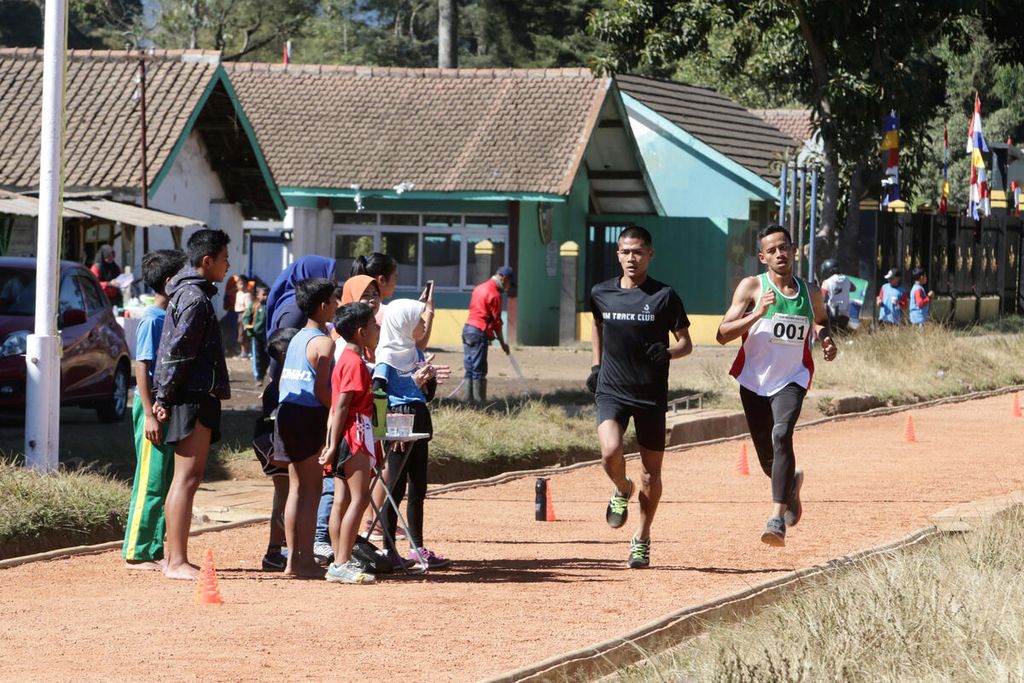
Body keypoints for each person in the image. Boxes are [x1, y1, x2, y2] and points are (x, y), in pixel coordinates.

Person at [716, 225, 837, 547]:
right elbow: (722, 332)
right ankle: (788, 488)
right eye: (772, 250)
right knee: (768, 460)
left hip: (792, 378)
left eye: (784, 248)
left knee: (782, 434)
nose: (779, 254)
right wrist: (758, 313)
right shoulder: (753, 287)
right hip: (754, 381)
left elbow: (821, 321)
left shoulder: (810, 292)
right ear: (762, 257)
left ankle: (775, 518)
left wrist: (826, 341)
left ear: (794, 250)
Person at [587, 226, 692, 568]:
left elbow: (685, 343)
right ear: (617, 254)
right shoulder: (601, 293)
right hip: (612, 389)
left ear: (650, 255)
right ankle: (621, 487)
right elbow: (598, 326)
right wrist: (595, 365)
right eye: (625, 252)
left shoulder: (664, 295)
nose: (631, 258)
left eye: (638, 252)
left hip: (650, 394)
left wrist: (668, 352)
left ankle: (642, 538)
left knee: (652, 474)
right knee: (610, 452)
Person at [152, 229, 232, 580]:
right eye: (224, 258)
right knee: (186, 478)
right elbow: (177, 351)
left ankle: (175, 557)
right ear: (206, 260)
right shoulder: (195, 299)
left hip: (195, 394)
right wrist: (163, 396)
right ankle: (176, 560)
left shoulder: (191, 294)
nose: (228, 265)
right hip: (192, 396)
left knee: (188, 478)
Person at [312, 273, 385, 565]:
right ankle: (342, 561)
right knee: (359, 500)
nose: (377, 328)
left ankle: (340, 560)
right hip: (355, 434)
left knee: (342, 501)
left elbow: (337, 408)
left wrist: (331, 442)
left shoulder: (349, 357)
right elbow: (341, 406)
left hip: (347, 434)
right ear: (358, 331)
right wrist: (331, 445)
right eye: (372, 326)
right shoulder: (354, 362)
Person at [121, 249, 186, 571]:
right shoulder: (152, 319)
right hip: (152, 408)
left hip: (166, 408)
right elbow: (142, 366)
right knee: (151, 479)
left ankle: (154, 547)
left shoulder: (171, 316)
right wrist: (148, 412)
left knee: (166, 479)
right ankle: (137, 550)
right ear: (169, 280)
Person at [374, 299, 451, 570]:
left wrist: (427, 380)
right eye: (418, 320)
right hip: (399, 421)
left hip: (418, 418)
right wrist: (384, 431)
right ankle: (388, 549)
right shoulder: (385, 356)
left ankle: (417, 547)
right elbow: (378, 392)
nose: (422, 324)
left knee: (419, 486)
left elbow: (424, 396)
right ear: (402, 322)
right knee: (395, 487)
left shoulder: (415, 353)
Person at [274, 277, 338, 578]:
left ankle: (290, 561)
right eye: (334, 300)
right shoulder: (325, 342)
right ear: (323, 305)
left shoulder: (297, 337)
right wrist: (337, 411)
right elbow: (323, 389)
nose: (337, 305)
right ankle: (306, 561)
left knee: (296, 489)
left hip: (285, 413)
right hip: (309, 414)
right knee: (312, 490)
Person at [253, 326, 300, 572]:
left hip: (279, 445)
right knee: (285, 498)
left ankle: (278, 551)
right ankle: (279, 552)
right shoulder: (280, 384)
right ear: (284, 355)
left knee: (284, 498)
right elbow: (275, 423)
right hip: (275, 446)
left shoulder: (286, 379)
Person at [462, 266, 514, 403]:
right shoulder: (495, 294)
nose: (508, 287)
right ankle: (480, 405)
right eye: (509, 283)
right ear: (503, 278)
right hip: (479, 332)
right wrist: (502, 343)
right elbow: (496, 322)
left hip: (467, 329)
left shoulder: (479, 288)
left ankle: (468, 403)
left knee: (469, 369)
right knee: (479, 370)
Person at [266, 256, 338, 336]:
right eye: (327, 276)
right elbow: (284, 346)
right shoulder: (296, 309)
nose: (332, 281)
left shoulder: (301, 304)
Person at [820, 258, 854, 333]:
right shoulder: (847, 280)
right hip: (845, 316)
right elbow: (853, 288)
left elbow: (822, 299)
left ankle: (816, 339)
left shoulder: (827, 282)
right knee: (840, 334)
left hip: (831, 316)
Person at [245, 285, 270, 384]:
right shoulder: (254, 305)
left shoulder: (270, 305)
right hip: (256, 335)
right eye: (263, 294)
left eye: (267, 294)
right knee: (257, 357)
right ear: (257, 295)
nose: (265, 297)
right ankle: (258, 377)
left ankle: (263, 373)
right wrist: (246, 324)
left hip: (267, 336)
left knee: (267, 356)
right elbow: (247, 316)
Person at [235, 277, 254, 359]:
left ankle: (245, 352)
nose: (241, 285)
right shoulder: (238, 294)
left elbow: (249, 307)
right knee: (240, 334)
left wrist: (245, 317)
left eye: (243, 283)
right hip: (238, 314)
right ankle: (243, 351)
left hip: (244, 315)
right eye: (239, 283)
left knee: (244, 334)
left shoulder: (247, 295)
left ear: (246, 284)